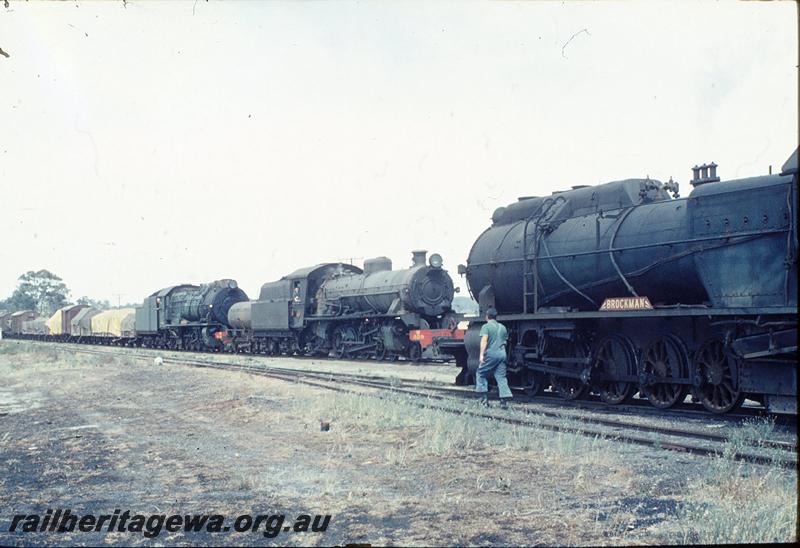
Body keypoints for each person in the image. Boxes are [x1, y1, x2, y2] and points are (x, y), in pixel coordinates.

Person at [475, 307, 512, 408]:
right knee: (501, 376)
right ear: (496, 317)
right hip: (502, 354)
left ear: (487, 316)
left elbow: (484, 341)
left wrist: (481, 355)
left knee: (480, 373)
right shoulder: (503, 327)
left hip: (491, 354)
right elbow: (505, 342)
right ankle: (504, 401)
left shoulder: (486, 327)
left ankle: (483, 399)